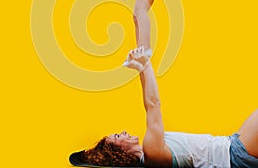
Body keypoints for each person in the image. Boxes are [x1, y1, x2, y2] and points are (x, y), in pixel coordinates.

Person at [75, 46, 258, 167]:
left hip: (232, 147)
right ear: (119, 152)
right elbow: (153, 104)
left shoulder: (152, 153)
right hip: (235, 155)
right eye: (117, 136)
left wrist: (140, 67)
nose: (123, 131)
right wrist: (144, 66)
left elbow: (150, 101)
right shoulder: (152, 152)